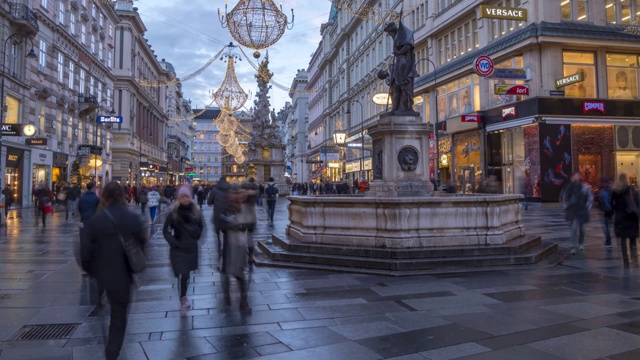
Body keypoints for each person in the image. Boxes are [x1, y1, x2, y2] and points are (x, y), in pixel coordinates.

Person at [80, 182, 147, 360]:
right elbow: (142, 246)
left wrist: (92, 271)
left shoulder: (95, 221)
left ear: (104, 197)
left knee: (102, 312)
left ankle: (109, 347)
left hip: (100, 276)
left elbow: (84, 251)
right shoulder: (132, 219)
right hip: (123, 277)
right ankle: (112, 351)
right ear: (122, 196)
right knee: (118, 317)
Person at [162, 185, 204, 315]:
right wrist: (173, 242)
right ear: (178, 198)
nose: (185, 198)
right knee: (181, 273)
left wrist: (196, 236)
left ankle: (183, 297)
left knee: (186, 274)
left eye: (187, 196)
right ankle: (183, 298)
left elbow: (201, 226)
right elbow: (166, 230)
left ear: (190, 197)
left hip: (190, 247)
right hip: (178, 247)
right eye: (182, 196)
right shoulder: (173, 213)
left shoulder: (195, 212)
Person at [219, 188, 252, 313]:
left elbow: (250, 224)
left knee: (240, 274)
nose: (236, 196)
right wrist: (229, 225)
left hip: (240, 245)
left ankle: (243, 301)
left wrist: (241, 225)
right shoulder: (225, 208)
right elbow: (219, 225)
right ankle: (228, 297)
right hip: (229, 244)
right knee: (228, 272)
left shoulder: (243, 208)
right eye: (234, 194)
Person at [380, 19, 418, 114]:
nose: (390, 35)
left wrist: (398, 52)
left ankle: (404, 107)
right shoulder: (397, 37)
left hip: (403, 62)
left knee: (403, 84)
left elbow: (408, 46)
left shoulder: (401, 36)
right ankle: (395, 108)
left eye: (389, 33)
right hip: (399, 62)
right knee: (397, 86)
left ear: (392, 31)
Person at [560, 171, 593, 255]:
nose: (578, 177)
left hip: (582, 210)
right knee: (573, 229)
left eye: (579, 176)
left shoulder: (584, 187)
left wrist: (587, 208)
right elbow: (563, 197)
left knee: (582, 229)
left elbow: (589, 197)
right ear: (572, 177)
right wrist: (566, 207)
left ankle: (581, 244)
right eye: (576, 176)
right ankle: (573, 246)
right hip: (572, 211)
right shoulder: (568, 187)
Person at [612, 174, 639, 267]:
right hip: (631, 216)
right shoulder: (631, 190)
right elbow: (637, 201)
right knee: (632, 239)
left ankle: (625, 259)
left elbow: (612, 204)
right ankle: (635, 258)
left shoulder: (615, 191)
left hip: (620, 217)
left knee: (623, 239)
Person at [207, 176, 231, 259]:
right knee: (226, 234)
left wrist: (215, 201)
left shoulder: (215, 190)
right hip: (227, 215)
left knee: (218, 235)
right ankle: (226, 250)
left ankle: (219, 249)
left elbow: (209, 202)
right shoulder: (230, 189)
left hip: (217, 214)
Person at [598, 177, 614, 250]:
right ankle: (619, 243)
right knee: (612, 227)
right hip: (613, 211)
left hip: (606, 211)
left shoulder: (603, 192)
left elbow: (601, 202)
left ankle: (608, 242)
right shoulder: (613, 191)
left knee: (606, 228)